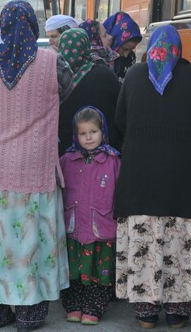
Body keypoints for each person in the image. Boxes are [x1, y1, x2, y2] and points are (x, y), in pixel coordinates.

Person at [0, 0, 73, 332]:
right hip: (34, 165)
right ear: (33, 26)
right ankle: (29, 311)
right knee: (30, 238)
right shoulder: (52, 62)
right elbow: (66, 91)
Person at [113, 25, 191, 329]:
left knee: (145, 238)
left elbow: (120, 119)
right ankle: (177, 312)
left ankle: (146, 312)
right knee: (180, 240)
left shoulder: (134, 76)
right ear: (178, 49)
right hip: (182, 180)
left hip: (139, 181)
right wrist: (187, 138)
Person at [59, 106, 120, 325]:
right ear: (76, 135)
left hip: (101, 228)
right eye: (83, 134)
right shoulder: (67, 159)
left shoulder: (113, 160)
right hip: (73, 228)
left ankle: (94, 307)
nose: (88, 138)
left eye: (93, 132)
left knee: (99, 270)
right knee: (73, 269)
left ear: (102, 132)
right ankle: (74, 305)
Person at [57, 28, 122, 155]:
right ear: (87, 48)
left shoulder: (56, 77)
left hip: (66, 154)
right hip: (104, 155)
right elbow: (120, 110)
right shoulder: (105, 74)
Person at [102, 11, 142, 80]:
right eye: (124, 49)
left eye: (130, 50)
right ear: (114, 40)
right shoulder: (100, 61)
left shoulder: (130, 58)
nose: (126, 55)